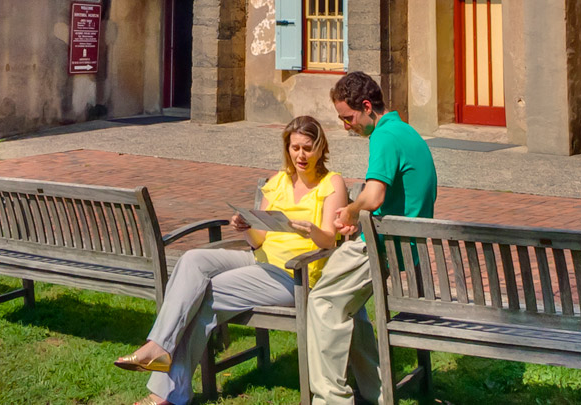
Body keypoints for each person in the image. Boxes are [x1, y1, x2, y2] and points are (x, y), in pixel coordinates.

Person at [114, 116, 345, 405]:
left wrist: (312, 230)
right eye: (294, 148)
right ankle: (159, 346)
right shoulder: (279, 181)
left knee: (204, 294)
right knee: (193, 260)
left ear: (320, 148)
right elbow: (259, 240)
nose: (300, 155)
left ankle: (167, 393)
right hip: (259, 261)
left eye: (307, 148)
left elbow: (331, 242)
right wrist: (246, 227)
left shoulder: (331, 183)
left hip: (294, 276)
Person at [307, 71, 438, 405]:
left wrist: (351, 212)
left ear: (367, 106)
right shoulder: (406, 132)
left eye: (348, 118)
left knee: (321, 302)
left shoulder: (384, 136)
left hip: (383, 247)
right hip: (404, 245)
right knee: (348, 308)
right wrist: (358, 215)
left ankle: (330, 400)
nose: (346, 126)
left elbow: (375, 195)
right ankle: (375, 391)